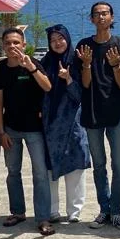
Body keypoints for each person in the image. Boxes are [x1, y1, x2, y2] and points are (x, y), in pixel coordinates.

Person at [76, 1, 120, 230]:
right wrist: (87, 64)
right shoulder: (84, 46)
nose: (101, 17)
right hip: (92, 115)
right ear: (91, 19)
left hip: (116, 115)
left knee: (119, 165)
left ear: (112, 17)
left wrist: (116, 64)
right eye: (97, 14)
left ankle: (117, 212)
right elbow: (85, 83)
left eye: (105, 13)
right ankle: (104, 209)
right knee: (99, 165)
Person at [0, 27, 54, 236]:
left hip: (34, 130)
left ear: (24, 45)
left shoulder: (33, 64)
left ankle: (43, 217)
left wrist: (31, 69)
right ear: (3, 45)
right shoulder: (0, 68)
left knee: (40, 174)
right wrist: (1, 132)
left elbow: (48, 87)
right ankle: (17, 212)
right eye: (8, 43)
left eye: (16, 43)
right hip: (11, 129)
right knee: (13, 172)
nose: (12, 46)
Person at [40, 24, 89, 223]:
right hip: (50, 125)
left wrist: (68, 79)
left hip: (73, 124)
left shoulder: (76, 63)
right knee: (51, 168)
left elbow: (80, 96)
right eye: (53, 40)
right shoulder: (45, 63)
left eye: (61, 38)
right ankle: (52, 210)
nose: (57, 43)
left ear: (67, 39)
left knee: (76, 168)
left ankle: (74, 211)